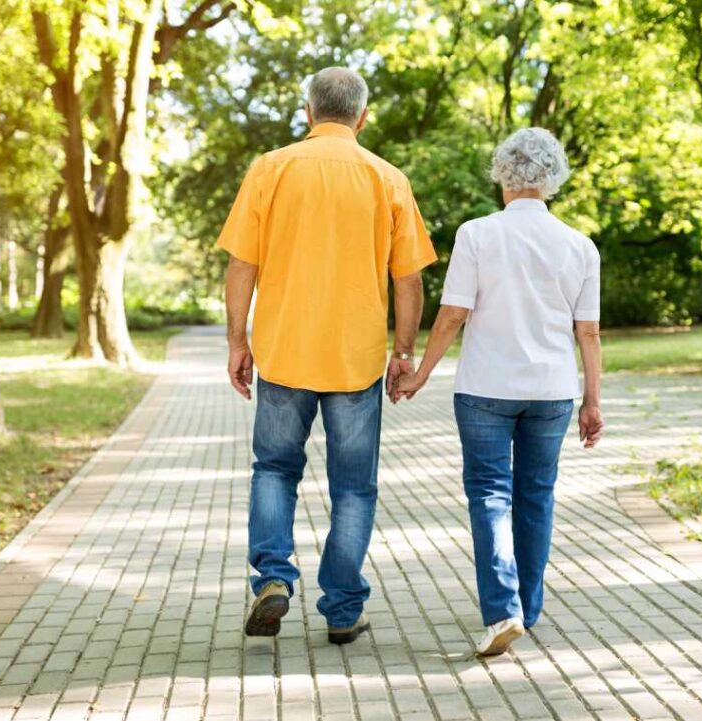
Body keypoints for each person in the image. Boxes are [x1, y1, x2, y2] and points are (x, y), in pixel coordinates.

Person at [219, 67, 436, 644]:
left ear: (308, 112)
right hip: (356, 358)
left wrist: (237, 341)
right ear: (362, 118)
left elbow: (242, 265)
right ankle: (342, 609)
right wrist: (405, 351)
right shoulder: (387, 178)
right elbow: (409, 279)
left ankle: (272, 577)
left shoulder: (270, 169)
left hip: (285, 350)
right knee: (354, 486)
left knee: (274, 468)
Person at [393, 127, 603, 657]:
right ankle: (527, 610)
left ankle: (503, 610)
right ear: (553, 178)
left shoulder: (477, 234)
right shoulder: (580, 246)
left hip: (485, 387)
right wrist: (592, 400)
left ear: (501, 176)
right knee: (537, 496)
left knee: (490, 495)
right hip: (552, 392)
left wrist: (420, 372)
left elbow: (453, 315)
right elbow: (589, 333)